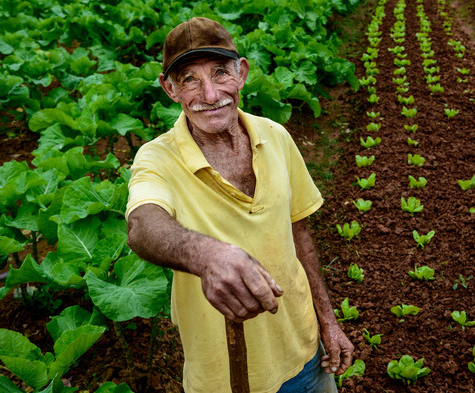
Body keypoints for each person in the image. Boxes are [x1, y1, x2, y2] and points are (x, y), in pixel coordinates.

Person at [125, 17, 354, 393]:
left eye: (220, 73)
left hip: (306, 353)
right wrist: (206, 255)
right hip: (227, 377)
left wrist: (327, 321)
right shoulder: (156, 159)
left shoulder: (275, 135)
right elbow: (142, 224)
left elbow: (299, 232)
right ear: (169, 88)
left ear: (242, 73)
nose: (211, 94)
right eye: (190, 80)